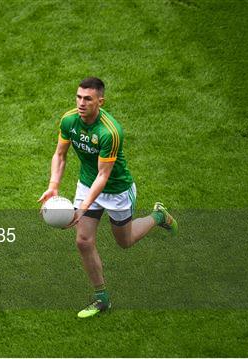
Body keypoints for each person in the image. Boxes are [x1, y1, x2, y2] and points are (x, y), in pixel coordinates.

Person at [38, 77, 178, 318]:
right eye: (79, 97)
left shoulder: (110, 132)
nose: (81, 103)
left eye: (88, 99)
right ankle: (102, 298)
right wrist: (53, 186)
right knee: (83, 241)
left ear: (100, 101)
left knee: (124, 242)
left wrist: (82, 207)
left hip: (116, 190)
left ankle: (157, 215)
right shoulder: (69, 120)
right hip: (86, 183)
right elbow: (60, 155)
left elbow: (104, 175)